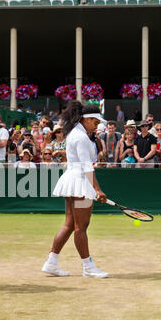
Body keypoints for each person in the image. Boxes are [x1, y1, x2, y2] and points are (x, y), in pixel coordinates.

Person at [42, 101, 108, 278]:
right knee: (81, 227)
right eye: (95, 121)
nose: (97, 125)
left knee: (70, 225)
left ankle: (51, 263)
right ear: (86, 119)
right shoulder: (80, 137)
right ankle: (88, 267)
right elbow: (87, 166)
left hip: (72, 181)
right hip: (79, 183)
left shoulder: (75, 134)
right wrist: (97, 189)